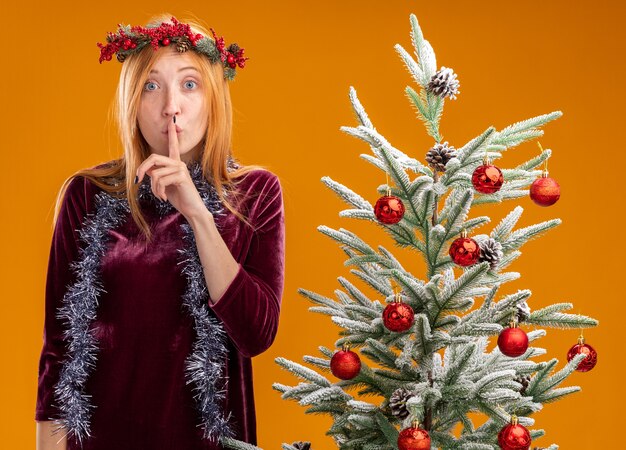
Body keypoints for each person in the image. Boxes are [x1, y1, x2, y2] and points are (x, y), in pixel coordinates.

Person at [35, 14, 285, 450]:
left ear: (213, 98)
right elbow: (58, 349)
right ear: (131, 101)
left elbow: (256, 333)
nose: (171, 105)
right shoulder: (86, 194)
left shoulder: (255, 192)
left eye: (190, 84)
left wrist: (197, 214)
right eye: (152, 86)